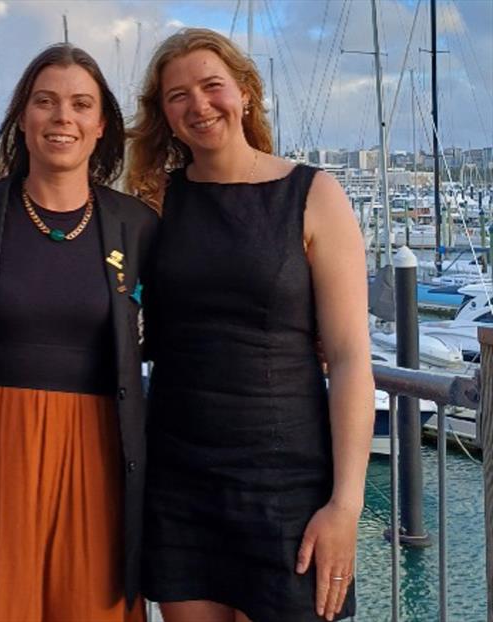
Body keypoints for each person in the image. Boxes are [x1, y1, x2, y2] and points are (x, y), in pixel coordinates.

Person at [127, 28, 375, 622]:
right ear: (164, 114)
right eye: (177, 95)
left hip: (288, 480)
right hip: (179, 474)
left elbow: (348, 359)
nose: (198, 105)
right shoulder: (152, 202)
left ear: (244, 92)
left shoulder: (314, 193)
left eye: (212, 86)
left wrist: (346, 505)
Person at [0, 43, 158, 622]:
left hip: (101, 451)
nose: (63, 117)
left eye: (81, 104)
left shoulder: (135, 224)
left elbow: (182, 325)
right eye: (45, 101)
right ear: (22, 116)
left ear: (101, 124)